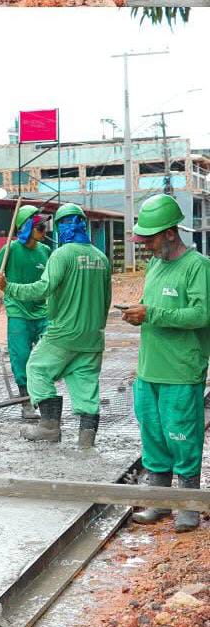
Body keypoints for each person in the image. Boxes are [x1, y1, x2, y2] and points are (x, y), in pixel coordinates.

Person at [121, 194, 210, 532]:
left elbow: (202, 314)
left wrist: (153, 313)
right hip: (149, 369)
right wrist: (139, 312)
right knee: (154, 435)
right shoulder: (155, 266)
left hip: (180, 370)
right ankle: (159, 503)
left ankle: (188, 507)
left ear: (171, 233)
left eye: (152, 239)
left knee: (183, 436)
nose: (147, 246)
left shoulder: (198, 267)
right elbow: (152, 305)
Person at [0, 203, 111, 447]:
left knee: (36, 367)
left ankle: (49, 427)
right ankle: (86, 441)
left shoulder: (61, 254)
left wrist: (8, 287)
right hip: (93, 337)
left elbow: (42, 289)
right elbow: (106, 301)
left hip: (64, 332)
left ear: (61, 227)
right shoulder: (101, 258)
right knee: (85, 384)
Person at [0, 205, 52, 420]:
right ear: (28, 227)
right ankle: (26, 402)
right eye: (40, 227)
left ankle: (43, 398)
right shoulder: (10, 250)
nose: (45, 231)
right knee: (20, 358)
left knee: (45, 357)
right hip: (18, 313)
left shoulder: (45, 252)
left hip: (42, 313)